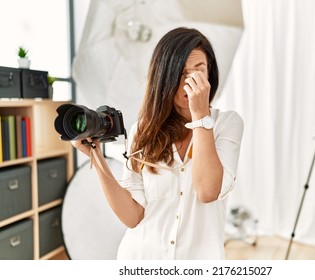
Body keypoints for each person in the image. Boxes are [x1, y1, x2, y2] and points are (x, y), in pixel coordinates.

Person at [72, 27, 244, 260]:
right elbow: (132, 217)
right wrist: (96, 156)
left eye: (199, 71)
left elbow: (207, 191)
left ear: (209, 75)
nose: (191, 81)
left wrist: (201, 115)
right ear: (165, 77)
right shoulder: (142, 131)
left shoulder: (227, 124)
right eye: (182, 72)